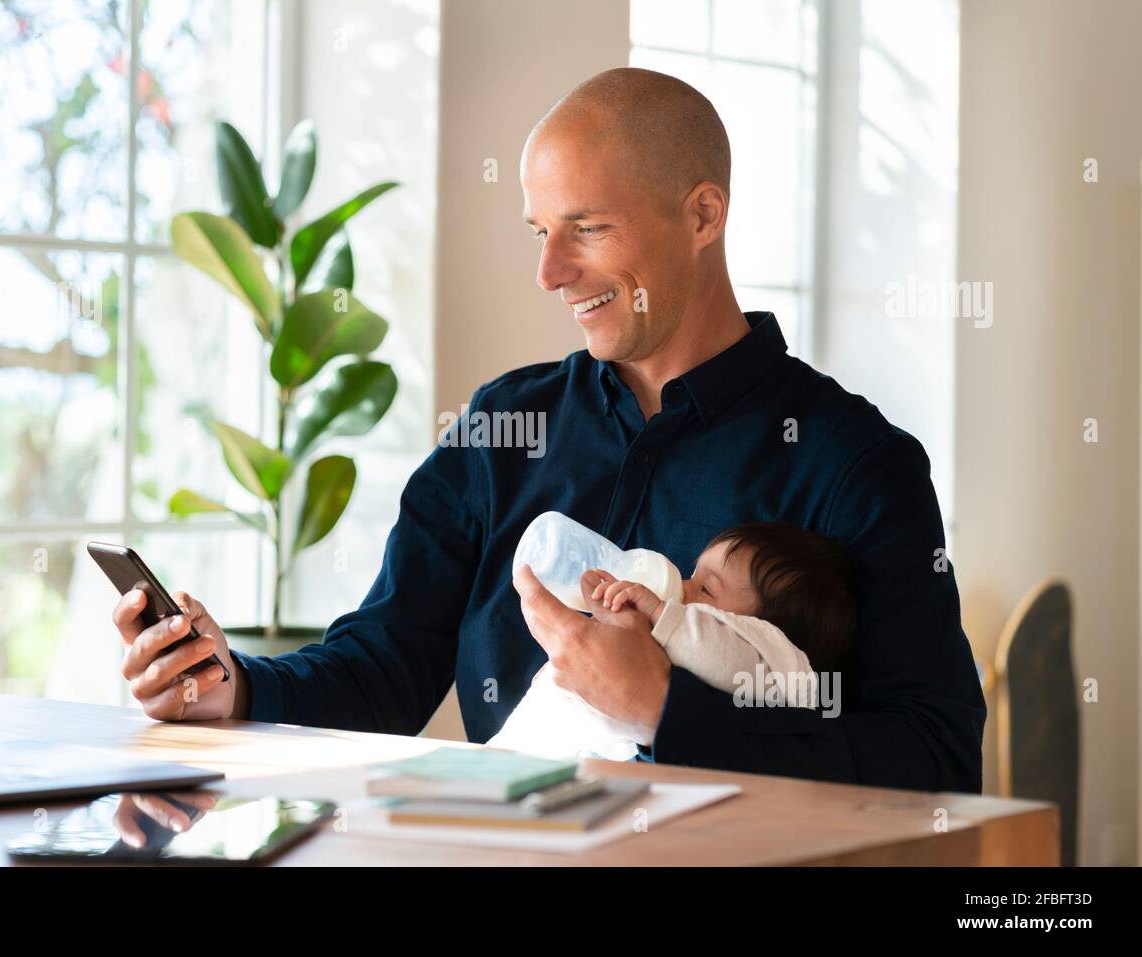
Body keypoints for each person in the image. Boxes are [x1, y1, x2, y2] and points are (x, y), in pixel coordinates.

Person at [111, 66, 985, 792]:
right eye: (538, 229)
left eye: (587, 228)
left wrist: (668, 712)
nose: (549, 271)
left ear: (703, 216)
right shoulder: (502, 425)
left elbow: (936, 760)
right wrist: (235, 689)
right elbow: (387, 656)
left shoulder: (857, 464)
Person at [487, 521, 857, 759]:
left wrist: (665, 617)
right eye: (694, 576)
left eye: (705, 589)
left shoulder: (777, 660)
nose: (681, 588)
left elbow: (723, 657)